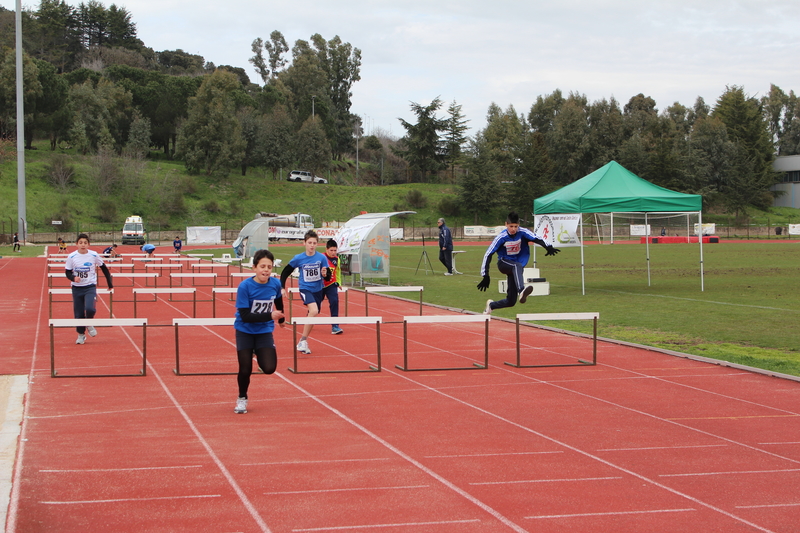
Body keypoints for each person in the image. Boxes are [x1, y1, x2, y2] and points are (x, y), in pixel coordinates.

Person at [233, 249, 285, 414]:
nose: (266, 270)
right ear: (254, 267)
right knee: (245, 368)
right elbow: (246, 316)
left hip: (263, 330)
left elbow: (278, 299)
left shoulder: (275, 284)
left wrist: (281, 317)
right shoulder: (245, 287)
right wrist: (270, 314)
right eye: (262, 266)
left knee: (269, 368)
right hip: (245, 330)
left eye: (269, 267)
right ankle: (242, 398)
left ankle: (258, 351)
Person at [477, 211, 559, 314]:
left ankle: (491, 306)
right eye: (511, 226)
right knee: (517, 266)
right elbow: (488, 254)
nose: (513, 229)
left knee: (511, 301)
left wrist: (548, 247)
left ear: (518, 225)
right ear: (506, 224)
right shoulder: (501, 237)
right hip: (503, 263)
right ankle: (522, 290)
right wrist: (485, 275)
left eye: (516, 226)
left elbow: (536, 238)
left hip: (515, 268)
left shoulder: (523, 232)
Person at [280, 230, 330, 354]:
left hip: (318, 289)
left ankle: (303, 340)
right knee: (314, 311)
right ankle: (303, 342)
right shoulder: (299, 258)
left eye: (314, 243)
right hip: (305, 288)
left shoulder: (321, 258)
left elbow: (328, 276)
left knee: (312, 315)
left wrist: (326, 274)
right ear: (304, 243)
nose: (312, 245)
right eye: (309, 243)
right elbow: (285, 271)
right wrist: (282, 287)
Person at [65, 234, 113, 344]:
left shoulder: (94, 255)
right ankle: (81, 335)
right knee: (79, 313)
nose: (83, 245)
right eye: (80, 242)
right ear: (76, 244)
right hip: (77, 288)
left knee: (90, 309)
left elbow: (104, 268)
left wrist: (109, 283)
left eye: (85, 243)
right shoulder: (72, 256)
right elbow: (67, 272)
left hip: (90, 286)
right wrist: (73, 277)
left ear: (88, 244)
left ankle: (89, 322)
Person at [321, 239, 343, 335]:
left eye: (335, 250)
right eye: (331, 250)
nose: (333, 252)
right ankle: (310, 315)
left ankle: (335, 326)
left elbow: (337, 271)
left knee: (334, 301)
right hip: (320, 285)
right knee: (316, 306)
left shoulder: (337, 259)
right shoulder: (321, 257)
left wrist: (338, 282)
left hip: (331, 284)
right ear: (326, 249)